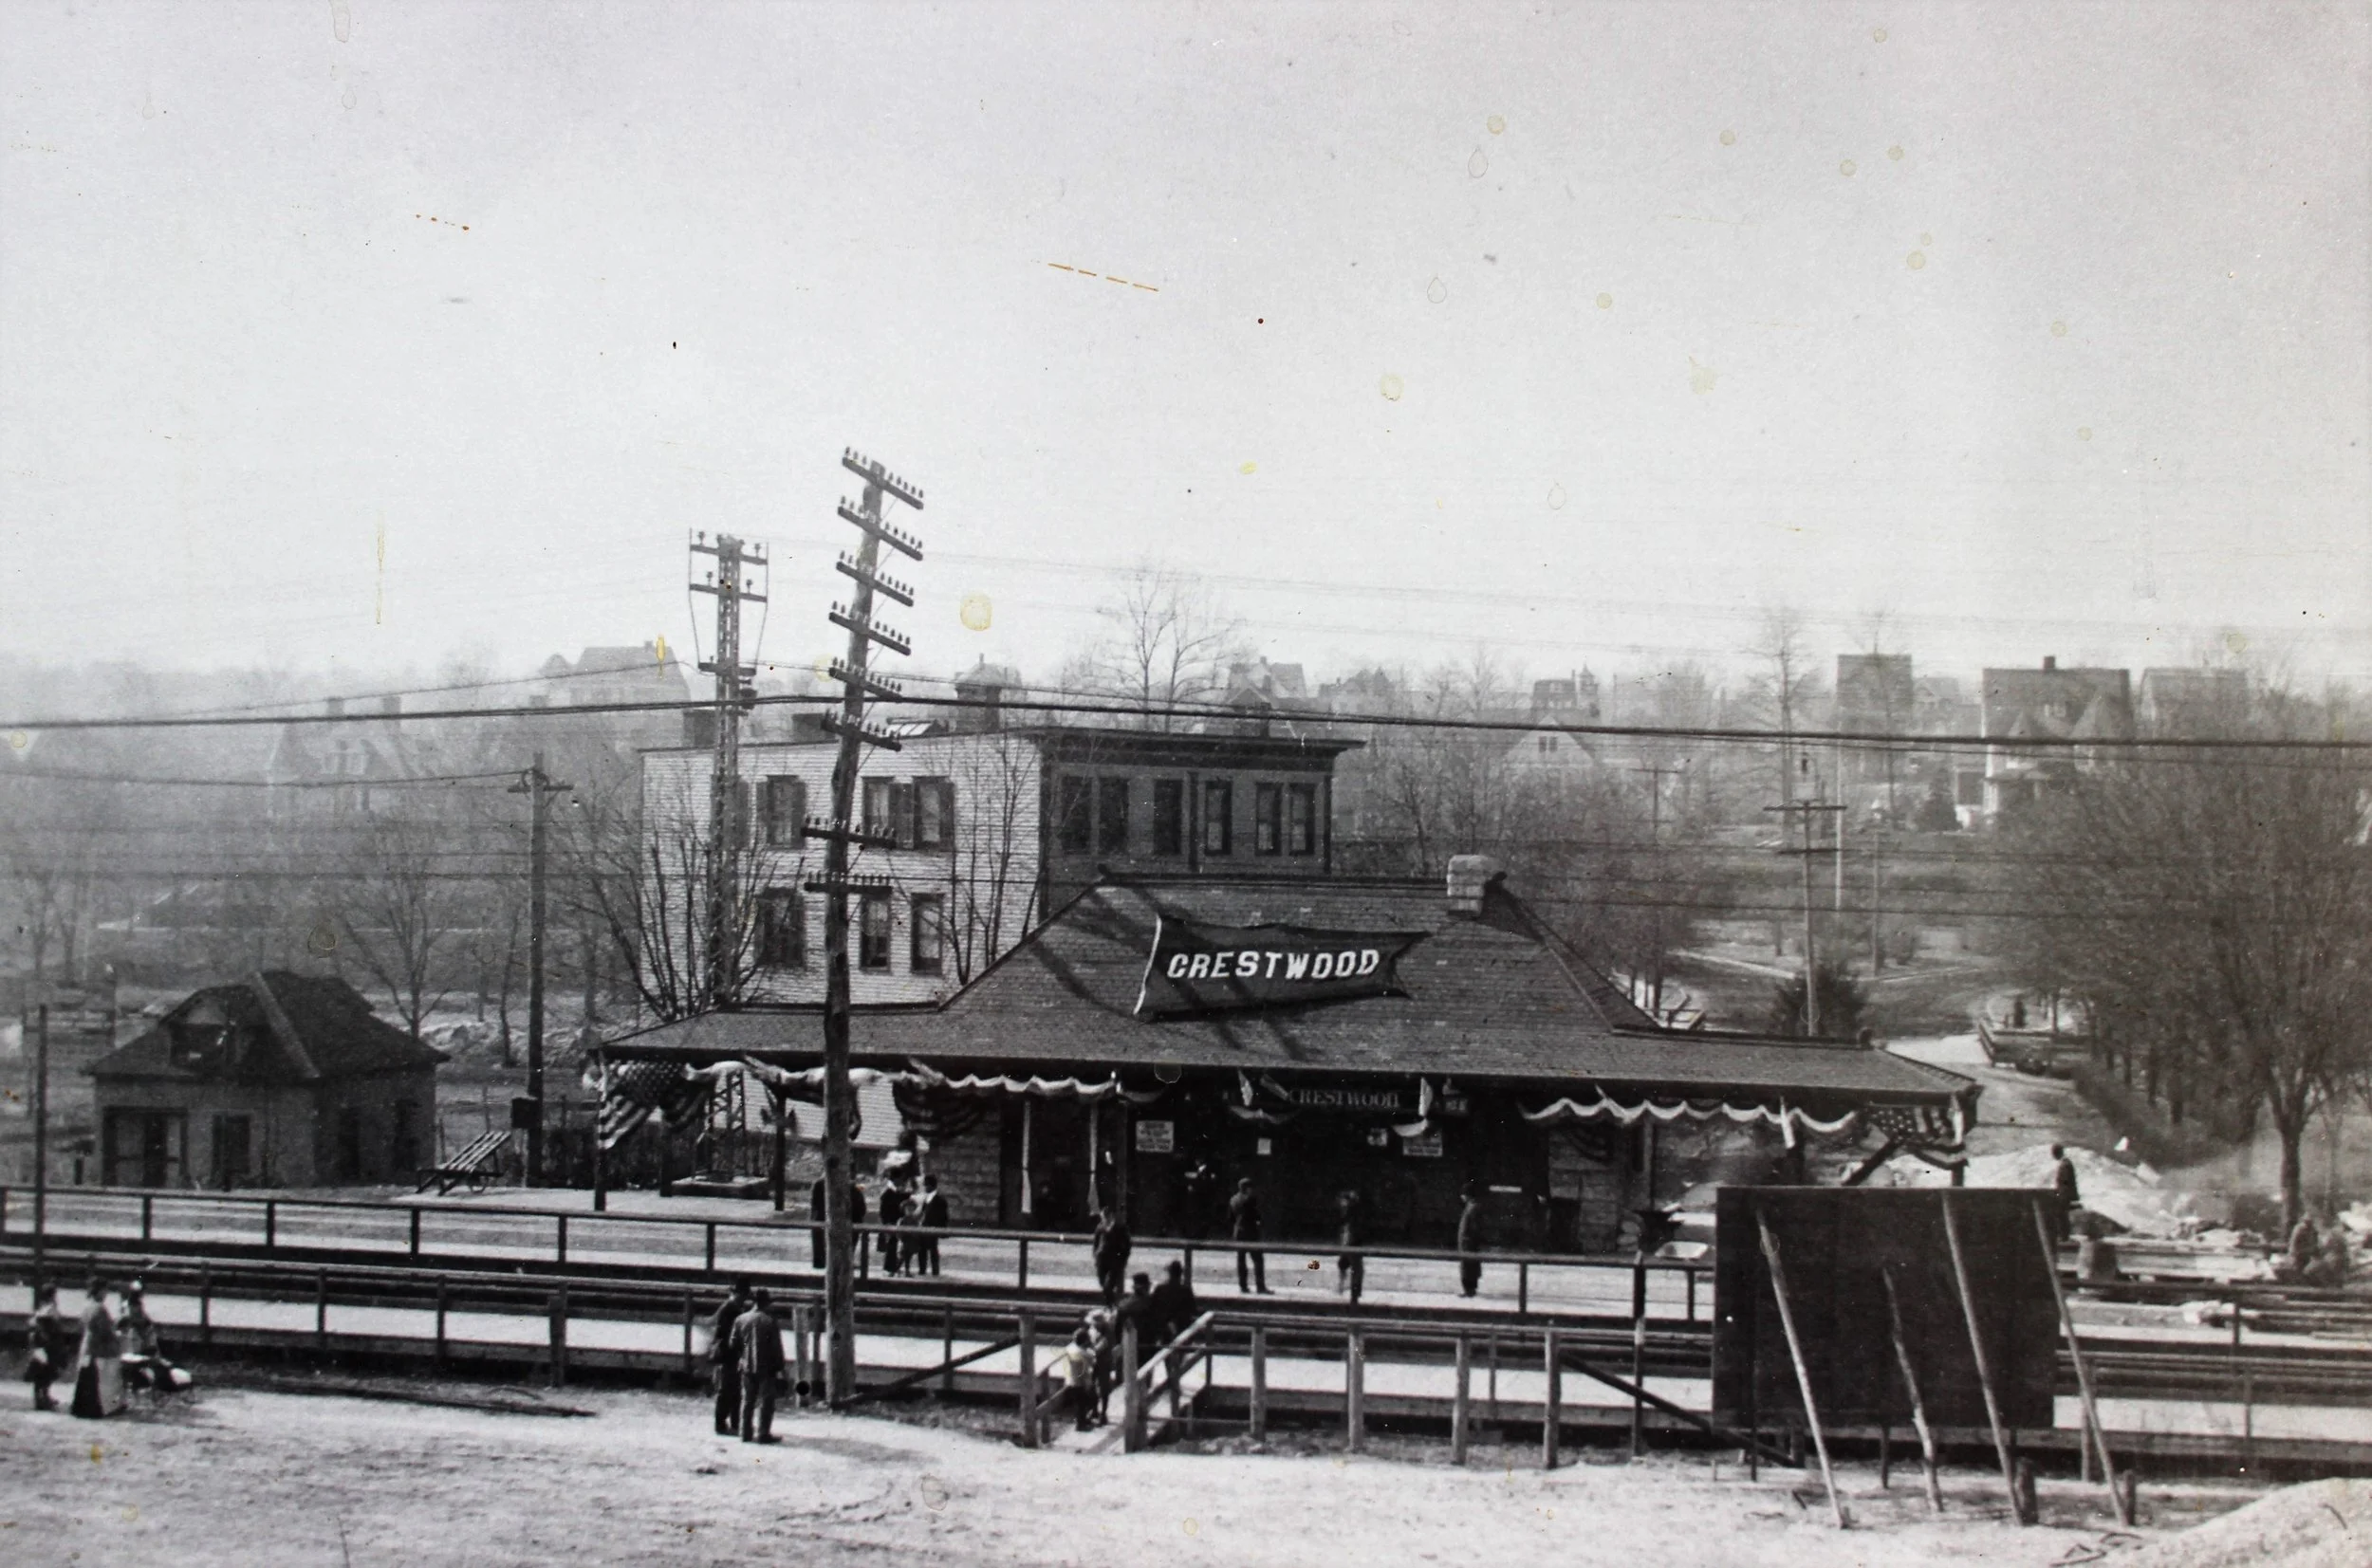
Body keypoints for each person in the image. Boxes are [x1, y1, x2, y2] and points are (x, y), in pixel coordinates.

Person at [732, 1287, 787, 1443]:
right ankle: (763, 1433)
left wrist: (743, 1354)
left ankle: (745, 1432)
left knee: (747, 1400)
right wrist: (780, 1367)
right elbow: (776, 1347)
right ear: (766, 1303)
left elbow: (733, 1343)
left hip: (746, 1365)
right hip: (766, 1366)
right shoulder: (770, 1321)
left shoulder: (740, 1319)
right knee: (766, 1401)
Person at [116, 1282, 188, 1396]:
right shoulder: (132, 1306)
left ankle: (144, 1382)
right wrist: (145, 1325)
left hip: (137, 1334)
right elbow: (133, 1320)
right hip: (135, 1335)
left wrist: (148, 1323)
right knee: (140, 1358)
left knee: (143, 1357)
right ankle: (140, 1383)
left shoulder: (129, 1304)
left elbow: (139, 1319)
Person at [69, 1278, 122, 1420]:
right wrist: (115, 1334)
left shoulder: (87, 1306)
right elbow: (105, 1330)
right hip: (96, 1345)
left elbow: (81, 1326)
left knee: (85, 1375)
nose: (106, 1294)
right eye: (104, 1291)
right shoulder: (100, 1309)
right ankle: (93, 1409)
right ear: (99, 1291)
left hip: (86, 1342)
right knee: (94, 1377)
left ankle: (79, 1407)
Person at [708, 1277, 754, 1435]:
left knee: (734, 1390)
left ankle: (734, 1422)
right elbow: (727, 1334)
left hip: (732, 1354)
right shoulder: (730, 1309)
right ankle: (721, 1424)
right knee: (727, 1390)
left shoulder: (733, 1308)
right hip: (728, 1354)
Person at [24, 1282, 69, 1411]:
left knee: (43, 1373)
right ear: (52, 1295)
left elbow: (32, 1323)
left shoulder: (41, 1309)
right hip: (48, 1345)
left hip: (42, 1345)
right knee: (45, 1373)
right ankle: (41, 1399)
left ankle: (43, 1398)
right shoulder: (49, 1310)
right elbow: (48, 1326)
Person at [1229, 1178, 1270, 1295]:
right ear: (1248, 1188)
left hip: (1238, 1232)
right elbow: (1255, 1216)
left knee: (1241, 1260)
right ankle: (1260, 1286)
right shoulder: (1250, 1199)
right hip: (1251, 1232)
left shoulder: (1233, 1199)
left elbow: (1231, 1217)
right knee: (1258, 1260)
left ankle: (1243, 1286)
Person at [1057, 1327, 1098, 1431]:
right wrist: (1091, 1347)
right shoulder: (1084, 1353)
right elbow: (1093, 1360)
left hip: (1070, 1379)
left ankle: (1082, 1421)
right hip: (1080, 1381)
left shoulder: (1070, 1348)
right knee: (1082, 1403)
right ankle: (1081, 1425)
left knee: (1079, 1403)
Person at [1092, 1205, 1133, 1305]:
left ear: (1111, 1216)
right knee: (1102, 1283)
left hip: (1114, 1261)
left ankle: (1111, 1305)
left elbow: (1127, 1245)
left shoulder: (1120, 1228)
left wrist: (1123, 1259)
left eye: (1106, 1216)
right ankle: (1111, 1305)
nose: (1105, 1219)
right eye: (1103, 1217)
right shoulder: (1100, 1228)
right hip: (1101, 1260)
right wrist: (1096, 1256)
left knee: (1108, 1285)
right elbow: (1096, 1243)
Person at [1337, 1189, 1368, 1304]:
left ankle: (1354, 1293)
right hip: (1349, 1242)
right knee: (1349, 1266)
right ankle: (1349, 1290)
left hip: (1352, 1243)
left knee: (1355, 1268)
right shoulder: (1348, 1214)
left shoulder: (1353, 1215)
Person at [914, 1173, 948, 1277]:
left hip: (933, 1227)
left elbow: (943, 1216)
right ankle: (922, 1269)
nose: (925, 1187)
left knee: (933, 1249)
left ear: (932, 1186)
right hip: (925, 1226)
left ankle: (935, 1270)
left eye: (926, 1185)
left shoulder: (940, 1200)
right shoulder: (927, 1198)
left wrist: (940, 1228)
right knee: (922, 1249)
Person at [1456, 1185, 1486, 1299]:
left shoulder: (1472, 1208)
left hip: (1468, 1242)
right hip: (1468, 1242)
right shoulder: (1472, 1206)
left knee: (1467, 1266)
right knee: (1470, 1266)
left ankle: (1469, 1289)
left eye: (1463, 1194)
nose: (1461, 1197)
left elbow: (1474, 1227)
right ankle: (1471, 1289)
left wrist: (1470, 1239)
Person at [2048, 1145, 2081, 1243]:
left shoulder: (2065, 1165)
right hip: (2064, 1194)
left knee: (2061, 1215)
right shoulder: (2066, 1163)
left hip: (2064, 1195)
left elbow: (2065, 1183)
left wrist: (2060, 1194)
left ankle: (2064, 1237)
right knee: (2062, 1215)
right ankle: (2064, 1236)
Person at [808, 1175, 828, 1268]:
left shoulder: (818, 1183)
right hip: (821, 1215)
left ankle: (819, 1262)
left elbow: (813, 1202)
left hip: (818, 1215)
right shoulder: (820, 1183)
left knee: (818, 1241)